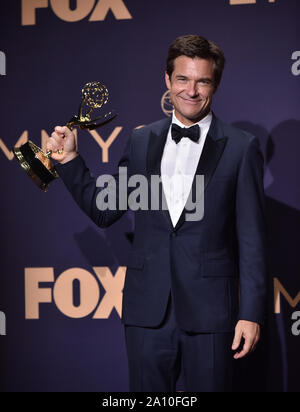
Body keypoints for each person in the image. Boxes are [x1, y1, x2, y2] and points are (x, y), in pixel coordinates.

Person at [48, 35, 267, 392]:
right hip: (147, 311)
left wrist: (251, 313)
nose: (191, 91)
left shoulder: (241, 148)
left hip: (211, 313)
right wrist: (71, 161)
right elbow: (106, 211)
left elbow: (252, 240)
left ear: (216, 84)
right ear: (167, 80)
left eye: (203, 81)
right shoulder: (140, 141)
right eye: (182, 79)